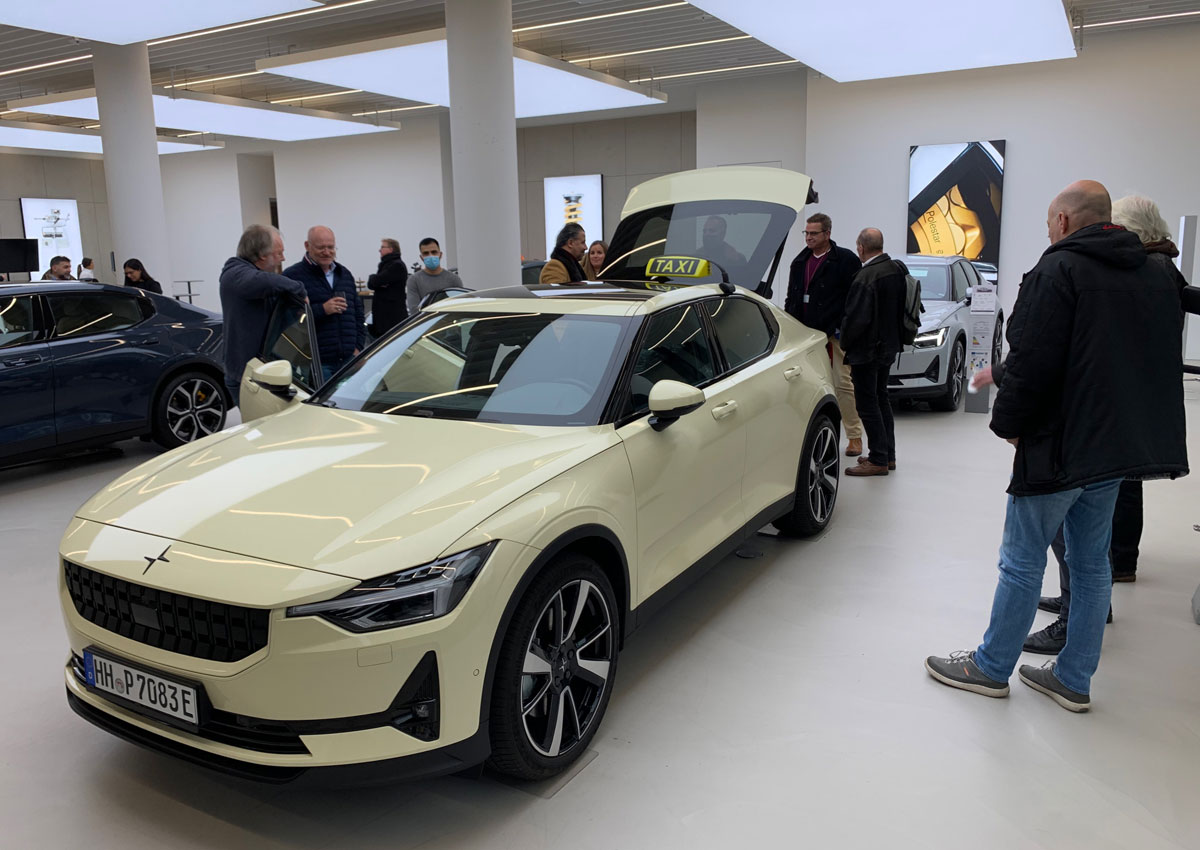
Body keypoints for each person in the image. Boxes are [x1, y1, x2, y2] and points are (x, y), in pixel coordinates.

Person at [925, 180, 1188, 712]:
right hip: (1112, 447)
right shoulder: (1153, 272)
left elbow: (1031, 360)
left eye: (1049, 221)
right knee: (1092, 564)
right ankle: (1073, 678)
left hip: (1059, 445)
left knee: (1021, 560)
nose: (1047, 230)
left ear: (1064, 221)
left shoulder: (1058, 269)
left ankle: (990, 667)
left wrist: (1008, 424)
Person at [1019, 194, 1189, 654]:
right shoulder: (1152, 269)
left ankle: (1075, 616)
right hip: (1120, 411)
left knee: (1071, 533)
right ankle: (1084, 611)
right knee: (1091, 532)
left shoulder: (1143, 270)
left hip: (1101, 416)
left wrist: (1013, 420)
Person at [785, 213, 864, 456]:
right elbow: (792, 298)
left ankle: (854, 436)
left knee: (842, 383)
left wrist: (843, 327)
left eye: (814, 233)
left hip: (835, 333)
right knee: (802, 384)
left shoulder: (846, 260)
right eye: (806, 233)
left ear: (827, 234)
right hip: (805, 333)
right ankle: (802, 435)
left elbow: (855, 299)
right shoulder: (799, 262)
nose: (808, 237)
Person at [840, 228, 907, 477]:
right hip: (888, 346)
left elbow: (856, 318)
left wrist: (844, 342)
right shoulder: (895, 269)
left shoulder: (866, 276)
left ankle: (878, 459)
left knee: (867, 404)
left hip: (867, 350)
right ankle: (888, 455)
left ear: (860, 247)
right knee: (881, 399)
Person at [218, 224, 306, 405]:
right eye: (279, 253)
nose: (283, 259)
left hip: (262, 370)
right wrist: (299, 289)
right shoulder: (235, 275)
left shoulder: (255, 278)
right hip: (247, 377)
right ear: (262, 255)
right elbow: (263, 281)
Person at [283, 226, 364, 381]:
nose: (327, 252)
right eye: (321, 248)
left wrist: (358, 348)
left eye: (330, 247)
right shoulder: (292, 276)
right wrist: (322, 310)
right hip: (317, 363)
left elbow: (358, 315)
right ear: (307, 246)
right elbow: (288, 319)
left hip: (349, 360)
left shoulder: (345, 275)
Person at [407, 237, 465, 313]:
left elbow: (460, 306)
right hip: (426, 320)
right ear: (421, 257)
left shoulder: (454, 279)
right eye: (426, 253)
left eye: (434, 252)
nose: (430, 256)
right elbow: (414, 310)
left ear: (440, 254)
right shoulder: (414, 280)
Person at [367, 237, 408, 336]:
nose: (379, 250)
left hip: (391, 319)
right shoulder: (387, 265)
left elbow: (375, 282)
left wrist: (373, 278)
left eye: (382, 247)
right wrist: (376, 280)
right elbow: (373, 284)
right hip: (384, 318)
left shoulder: (396, 266)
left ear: (391, 249)